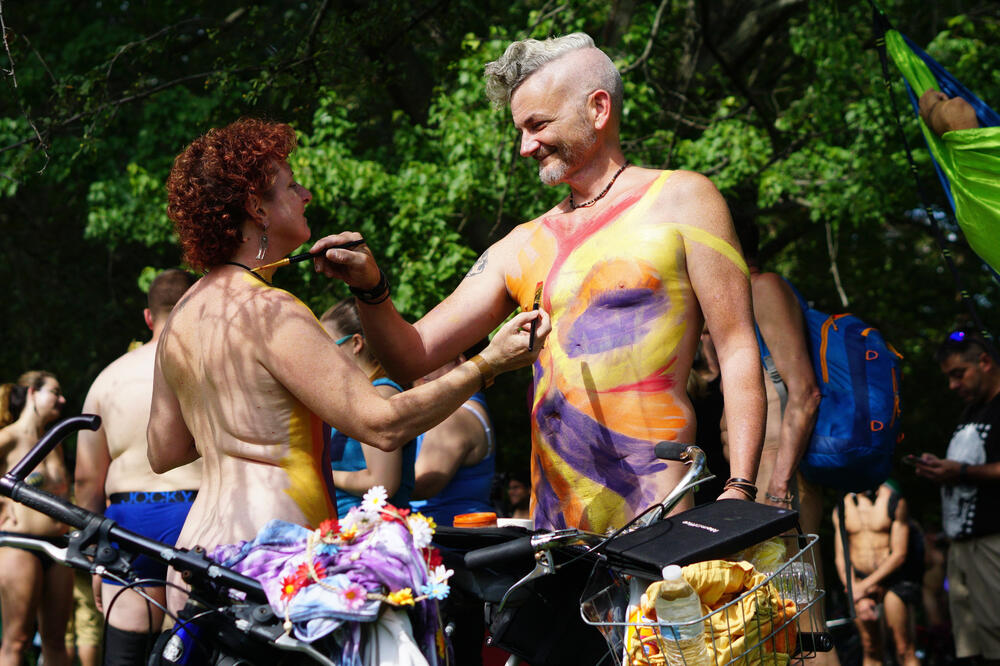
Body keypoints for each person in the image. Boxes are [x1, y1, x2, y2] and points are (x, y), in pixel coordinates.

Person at [310, 32, 765, 533]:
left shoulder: (682, 199)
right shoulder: (523, 245)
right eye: (520, 130)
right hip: (555, 532)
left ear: (598, 108)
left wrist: (740, 486)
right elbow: (412, 354)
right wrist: (371, 288)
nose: (525, 147)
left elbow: (738, 345)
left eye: (538, 125)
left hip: (658, 509)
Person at [148, 118, 548, 615]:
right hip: (270, 561)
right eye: (292, 186)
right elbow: (382, 425)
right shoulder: (271, 309)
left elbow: (164, 450)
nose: (307, 194)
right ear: (256, 207)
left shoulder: (184, 314)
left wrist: (239, 424)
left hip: (193, 560)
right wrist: (489, 363)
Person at [74, 268, 200, 663]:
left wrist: (94, 549)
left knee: (126, 655)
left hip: (128, 519)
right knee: (192, 646)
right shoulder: (211, 371)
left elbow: (86, 479)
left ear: (148, 317)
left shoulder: (107, 379)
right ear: (196, 310)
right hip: (196, 514)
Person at [913, 329, 1000, 665]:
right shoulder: (971, 412)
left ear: (985, 362)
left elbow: (969, 470)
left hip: (992, 544)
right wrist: (939, 469)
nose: (952, 386)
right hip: (961, 548)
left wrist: (960, 472)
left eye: (958, 374)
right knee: (968, 645)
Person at [0, 371, 72, 666]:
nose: (62, 399)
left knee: (56, 640)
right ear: (32, 392)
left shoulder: (54, 443)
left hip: (60, 548)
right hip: (19, 545)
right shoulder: (8, 438)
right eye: (54, 392)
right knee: (17, 640)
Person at [319, 298, 418, 514]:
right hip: (349, 533)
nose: (319, 355)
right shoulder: (355, 398)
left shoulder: (380, 394)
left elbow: (382, 483)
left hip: (374, 536)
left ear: (356, 343)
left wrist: (321, 473)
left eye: (327, 345)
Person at [832, 481, 922, 666]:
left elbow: (899, 555)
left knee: (903, 647)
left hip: (893, 581)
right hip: (858, 582)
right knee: (870, 646)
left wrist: (863, 587)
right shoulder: (842, 507)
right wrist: (853, 588)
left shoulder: (894, 501)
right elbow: (841, 557)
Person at [409, 348, 496, 527]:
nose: (416, 373)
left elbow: (423, 485)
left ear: (459, 361)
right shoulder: (464, 407)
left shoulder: (452, 418)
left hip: (450, 543)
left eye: (425, 363)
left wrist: (363, 480)